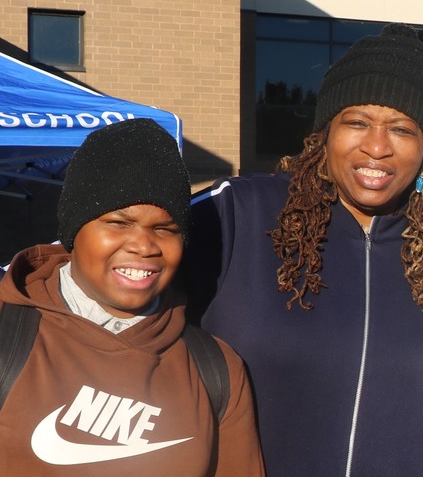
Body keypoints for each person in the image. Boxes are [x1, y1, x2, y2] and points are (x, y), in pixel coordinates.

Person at [184, 23, 423, 476]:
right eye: (357, 122)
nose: (377, 147)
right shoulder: (239, 214)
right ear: (325, 133)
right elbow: (112, 286)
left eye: (402, 130)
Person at [0, 118, 264, 475]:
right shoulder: (7, 331)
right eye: (118, 223)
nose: (143, 246)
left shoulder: (217, 369)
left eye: (164, 229)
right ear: (74, 231)